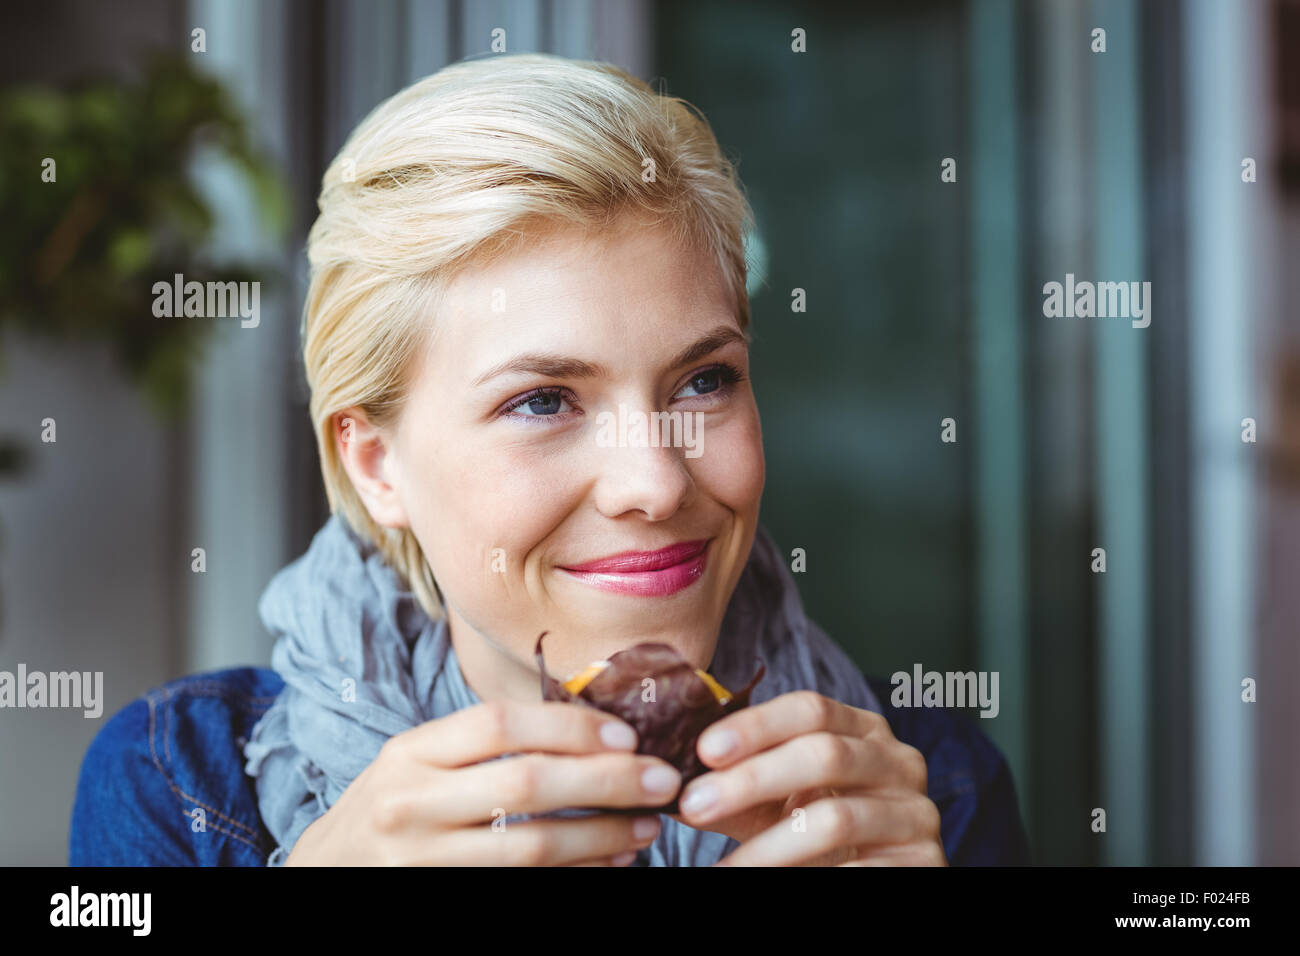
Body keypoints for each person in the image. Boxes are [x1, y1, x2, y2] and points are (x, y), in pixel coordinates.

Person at [70, 53, 1031, 867]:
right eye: (542, 402)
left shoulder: (930, 795)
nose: (655, 481)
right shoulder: (177, 791)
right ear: (375, 466)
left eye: (703, 382)